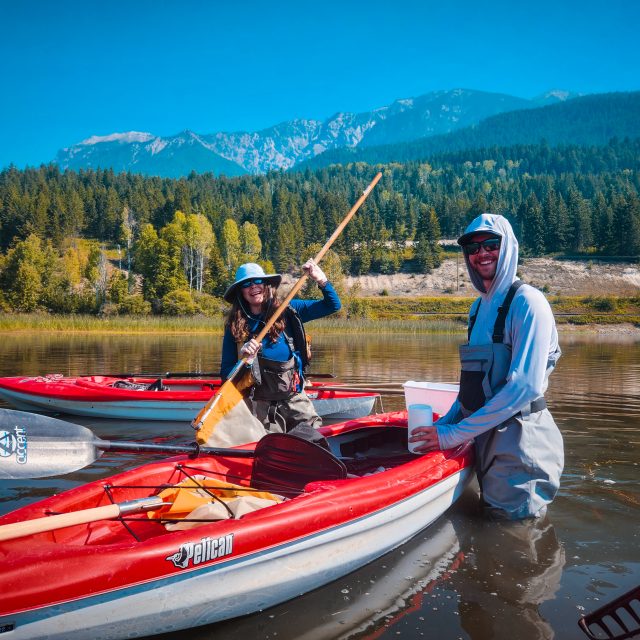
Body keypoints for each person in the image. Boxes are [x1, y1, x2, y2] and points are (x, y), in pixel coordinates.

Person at [409, 213, 564, 520]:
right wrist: (442, 426)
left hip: (519, 443)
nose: (481, 253)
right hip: (483, 434)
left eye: (491, 244)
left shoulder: (528, 303)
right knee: (491, 527)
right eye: (473, 247)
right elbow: (472, 387)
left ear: (507, 248)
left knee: (515, 536)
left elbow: (525, 387)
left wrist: (452, 436)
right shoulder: (477, 308)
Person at [220, 259, 341, 446]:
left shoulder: (288, 310)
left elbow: (332, 305)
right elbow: (226, 375)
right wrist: (245, 360)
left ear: (266, 285)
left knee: (316, 446)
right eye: (246, 284)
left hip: (295, 400)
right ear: (240, 292)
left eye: (257, 281)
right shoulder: (234, 328)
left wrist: (321, 280)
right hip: (261, 407)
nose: (253, 287)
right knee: (273, 454)